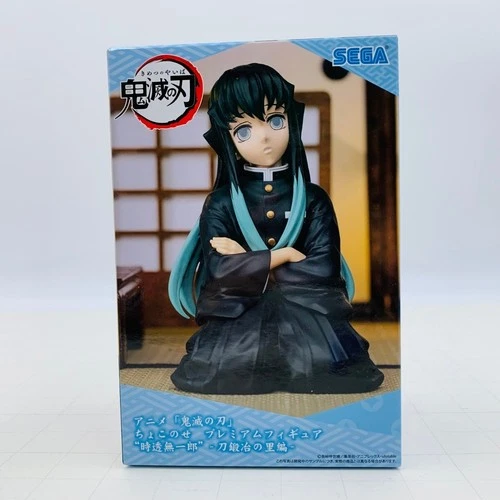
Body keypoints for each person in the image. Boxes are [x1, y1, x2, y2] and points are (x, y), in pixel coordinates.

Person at [168, 63, 384, 395]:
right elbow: (219, 271)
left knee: (325, 363)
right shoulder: (221, 202)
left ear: (291, 123)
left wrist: (248, 259)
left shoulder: (313, 199)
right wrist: (281, 255)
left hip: (305, 310)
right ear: (228, 140)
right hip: (241, 311)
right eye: (244, 130)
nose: (265, 137)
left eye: (275, 120)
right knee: (231, 365)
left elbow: (324, 267)